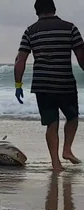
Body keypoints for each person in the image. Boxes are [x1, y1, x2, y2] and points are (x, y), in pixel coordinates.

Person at [14, 0, 84, 171]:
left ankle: (56, 163)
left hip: (42, 85)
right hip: (65, 83)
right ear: (54, 9)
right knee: (73, 117)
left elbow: (20, 60)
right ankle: (67, 150)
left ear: (36, 11)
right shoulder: (70, 28)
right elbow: (82, 57)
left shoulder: (30, 31)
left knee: (51, 123)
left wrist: (18, 84)